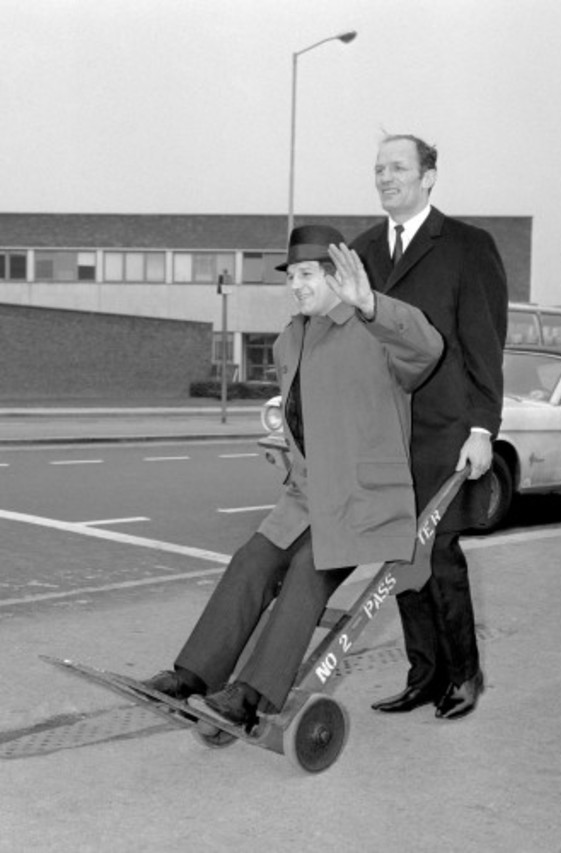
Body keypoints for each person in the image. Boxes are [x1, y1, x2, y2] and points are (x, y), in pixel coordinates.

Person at [144, 224, 443, 728]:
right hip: (306, 499)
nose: (296, 284)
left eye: (306, 274)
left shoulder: (376, 327)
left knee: (307, 574)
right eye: (292, 275)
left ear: (335, 277)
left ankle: (251, 697)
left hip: (363, 501)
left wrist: (370, 303)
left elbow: (427, 349)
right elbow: (305, 419)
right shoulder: (291, 339)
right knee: (251, 563)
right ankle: (193, 675)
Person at [352, 134, 508, 720]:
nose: (385, 177)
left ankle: (464, 675)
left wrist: (482, 427)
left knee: (439, 554)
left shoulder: (469, 246)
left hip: (446, 431)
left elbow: (484, 345)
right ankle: (424, 674)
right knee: (400, 557)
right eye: (378, 169)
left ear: (429, 176)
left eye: (398, 167)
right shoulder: (363, 251)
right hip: (386, 434)